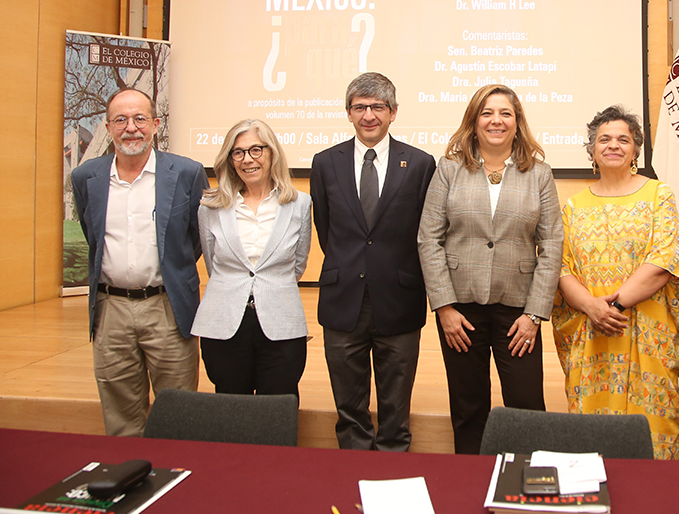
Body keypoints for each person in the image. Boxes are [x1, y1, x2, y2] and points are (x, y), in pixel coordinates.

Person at [418, 84, 562, 455]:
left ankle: (531, 485)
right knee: (468, 408)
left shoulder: (539, 174)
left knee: (527, 404)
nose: (496, 121)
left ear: (517, 122)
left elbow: (551, 246)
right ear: (474, 120)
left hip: (519, 311)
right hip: (459, 310)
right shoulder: (449, 169)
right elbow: (428, 239)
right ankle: (471, 484)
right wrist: (444, 308)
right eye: (487, 113)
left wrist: (534, 314)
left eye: (505, 114)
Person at [551, 105, 679, 460]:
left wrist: (612, 307)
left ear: (635, 149)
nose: (613, 145)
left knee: (654, 433)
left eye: (623, 139)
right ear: (592, 150)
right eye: (604, 139)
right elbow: (560, 268)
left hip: (646, 333)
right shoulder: (573, 207)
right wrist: (591, 307)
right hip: (592, 338)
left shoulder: (659, 195)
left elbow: (665, 260)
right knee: (593, 440)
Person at [71, 87, 209, 436]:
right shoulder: (86, 177)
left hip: (167, 306)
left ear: (155, 124)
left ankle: (175, 481)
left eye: (139, 118)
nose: (130, 127)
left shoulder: (187, 173)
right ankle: (129, 480)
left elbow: (195, 238)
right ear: (108, 126)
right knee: (121, 416)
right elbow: (93, 235)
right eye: (120, 120)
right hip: (111, 309)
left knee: (177, 411)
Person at [311, 72, 436, 451]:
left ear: (393, 112)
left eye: (378, 107)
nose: (369, 115)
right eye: (360, 107)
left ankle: (393, 476)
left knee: (395, 410)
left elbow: (424, 230)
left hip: (398, 300)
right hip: (343, 297)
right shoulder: (324, 162)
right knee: (349, 408)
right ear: (348, 112)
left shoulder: (419, 164)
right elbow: (326, 227)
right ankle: (353, 473)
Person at [191, 119, 312, 399]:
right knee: (231, 412)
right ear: (230, 159)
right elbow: (213, 264)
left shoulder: (299, 204)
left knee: (278, 410)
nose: (248, 159)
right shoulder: (211, 207)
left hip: (281, 323)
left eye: (256, 150)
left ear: (272, 153)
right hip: (224, 324)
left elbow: (298, 264)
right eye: (239, 152)